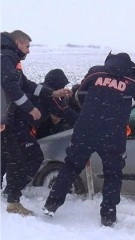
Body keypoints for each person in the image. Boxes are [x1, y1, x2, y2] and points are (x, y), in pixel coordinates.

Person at [43, 52, 135, 227]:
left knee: (71, 167)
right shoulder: (132, 80)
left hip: (85, 130)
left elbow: (80, 93)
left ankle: (51, 204)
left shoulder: (95, 72)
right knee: (113, 175)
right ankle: (108, 216)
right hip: (112, 135)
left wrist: (92, 107)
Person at [1, 30, 72, 215]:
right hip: (5, 120)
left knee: (9, 157)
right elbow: (11, 86)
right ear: (17, 42)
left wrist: (52, 93)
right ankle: (12, 199)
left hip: (6, 120)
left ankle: (12, 198)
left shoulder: (8, 57)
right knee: (26, 158)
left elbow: (26, 84)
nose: (29, 51)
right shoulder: (6, 56)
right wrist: (29, 108)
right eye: (27, 46)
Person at [35, 69, 79, 138]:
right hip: (29, 129)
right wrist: (82, 123)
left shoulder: (39, 87)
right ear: (57, 84)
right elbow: (64, 110)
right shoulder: (49, 94)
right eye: (62, 86)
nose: (63, 88)